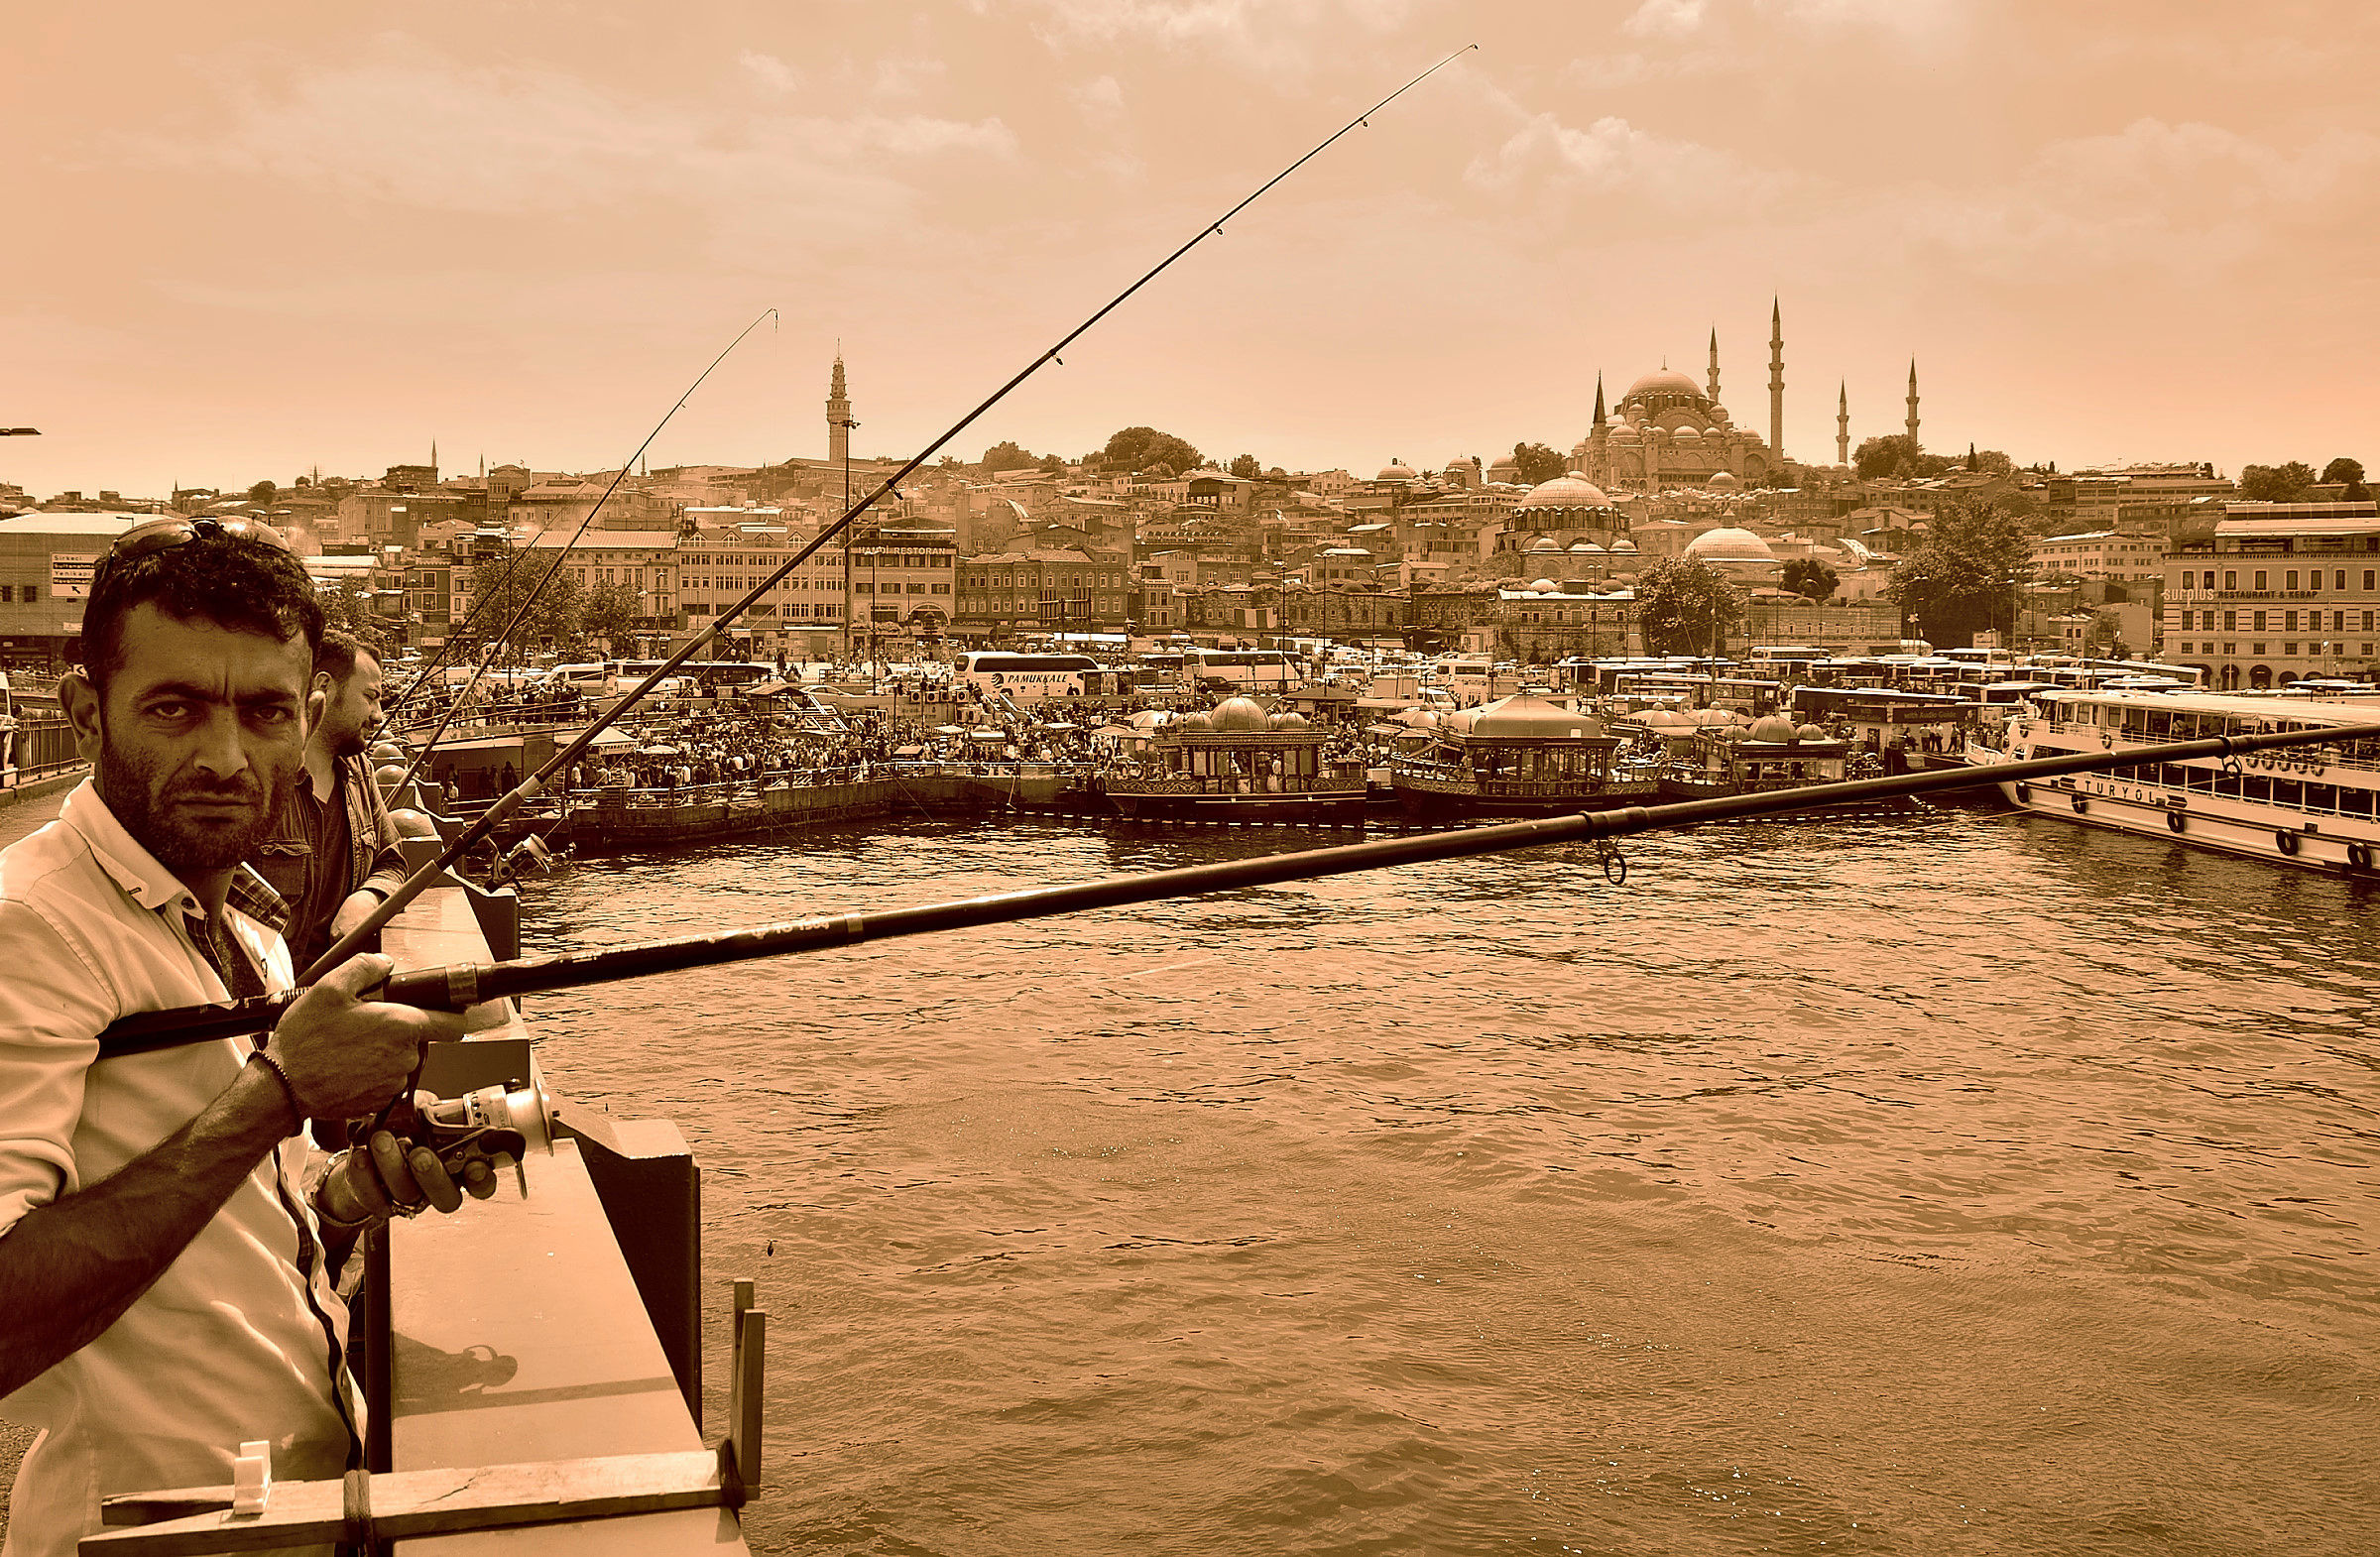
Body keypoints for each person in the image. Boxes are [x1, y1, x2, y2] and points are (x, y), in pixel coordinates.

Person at [0, 517, 487, 1554]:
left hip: (286, 1515)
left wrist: (350, 1193)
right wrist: (278, 1088)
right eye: (173, 707)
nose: (224, 757)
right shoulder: (30, 924)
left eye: (265, 712)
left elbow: (237, 1227)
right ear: (85, 707)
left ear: (306, 715)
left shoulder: (246, 935)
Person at [254, 629, 407, 976]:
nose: (378, 714)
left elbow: (392, 861)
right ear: (324, 686)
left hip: (343, 988)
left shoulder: (360, 772)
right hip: (270, 1002)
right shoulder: (263, 778)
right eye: (370, 697)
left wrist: (368, 897)